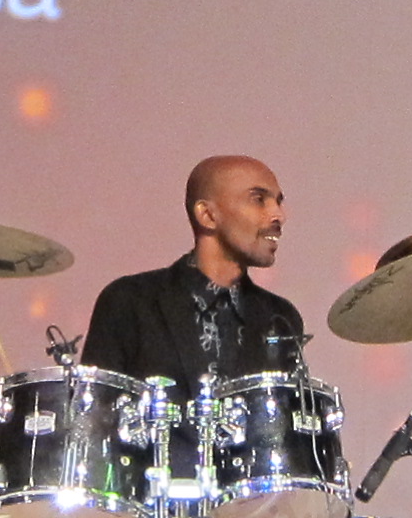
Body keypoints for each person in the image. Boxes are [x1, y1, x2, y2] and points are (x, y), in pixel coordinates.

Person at [78, 156, 307, 389]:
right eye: (258, 200)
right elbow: (94, 406)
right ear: (207, 215)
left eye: (278, 202)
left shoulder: (280, 317)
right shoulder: (130, 302)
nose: (279, 215)